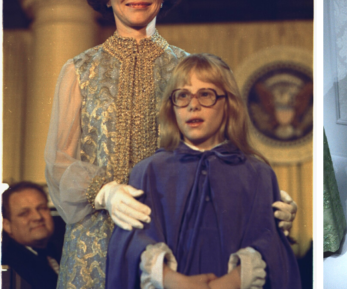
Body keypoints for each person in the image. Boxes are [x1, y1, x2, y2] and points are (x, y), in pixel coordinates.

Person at [44, 0, 297, 289]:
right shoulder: (79, 70)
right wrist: (105, 191)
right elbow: (58, 161)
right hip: (94, 240)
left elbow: (220, 150)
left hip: (172, 237)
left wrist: (268, 201)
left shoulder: (185, 68)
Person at [106, 54, 302, 289]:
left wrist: (230, 282)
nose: (193, 104)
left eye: (205, 94)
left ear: (228, 103)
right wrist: (176, 281)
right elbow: (132, 245)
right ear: (172, 107)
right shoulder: (148, 172)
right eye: (183, 96)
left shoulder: (258, 173)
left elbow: (269, 245)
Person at [2, 181, 64, 289]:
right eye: (24, 213)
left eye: (42, 208)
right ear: (7, 225)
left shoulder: (61, 250)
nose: (37, 217)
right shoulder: (8, 269)